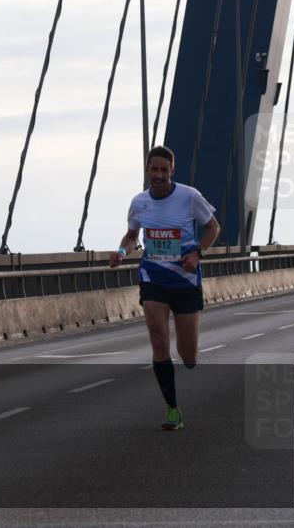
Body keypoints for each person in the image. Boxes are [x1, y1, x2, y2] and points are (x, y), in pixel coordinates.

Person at [109, 146, 220, 430]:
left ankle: (190, 357)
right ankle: (172, 409)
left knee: (189, 356)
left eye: (163, 170)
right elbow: (133, 235)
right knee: (159, 341)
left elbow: (213, 228)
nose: (158, 175)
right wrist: (122, 252)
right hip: (153, 278)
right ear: (147, 171)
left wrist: (197, 254)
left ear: (172, 171)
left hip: (185, 281)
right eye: (153, 170)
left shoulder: (189, 196)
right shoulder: (139, 202)